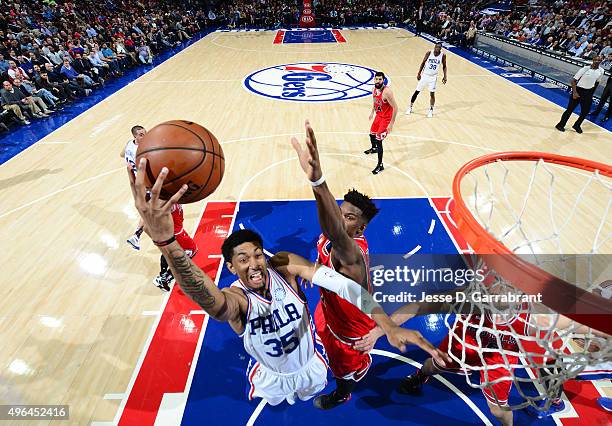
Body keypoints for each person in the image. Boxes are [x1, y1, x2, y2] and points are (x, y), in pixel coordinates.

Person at [127, 158, 449, 406]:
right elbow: (208, 297)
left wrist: (385, 326)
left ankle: (343, 392)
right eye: (243, 259)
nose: (253, 264)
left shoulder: (337, 256)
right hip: (279, 368)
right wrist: (167, 243)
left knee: (342, 374)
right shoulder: (238, 300)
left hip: (335, 341)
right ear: (231, 266)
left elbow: (347, 284)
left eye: (256, 256)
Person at [292, 120, 410, 409]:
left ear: (361, 229)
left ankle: (343, 391)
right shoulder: (332, 238)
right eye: (340, 212)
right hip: (328, 308)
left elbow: (332, 229)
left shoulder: (352, 252)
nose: (340, 217)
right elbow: (328, 232)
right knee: (320, 329)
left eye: (349, 217)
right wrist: (316, 273)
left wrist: (317, 182)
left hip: (350, 332)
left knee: (341, 369)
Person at [556, 55, 605, 133]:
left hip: (588, 92)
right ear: (593, 60)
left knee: (585, 111)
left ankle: (577, 125)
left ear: (601, 61)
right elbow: (573, 81)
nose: (597, 61)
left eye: (599, 60)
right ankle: (560, 125)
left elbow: (597, 82)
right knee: (570, 110)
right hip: (578, 90)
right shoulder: (585, 69)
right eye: (595, 60)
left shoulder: (601, 71)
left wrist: (591, 94)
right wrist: (574, 93)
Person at [363, 72, 398, 175]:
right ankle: (374, 149)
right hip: (379, 115)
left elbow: (395, 107)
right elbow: (375, 102)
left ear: (383, 80)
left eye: (380, 79)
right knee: (371, 133)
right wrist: (372, 112)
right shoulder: (373, 89)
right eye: (376, 79)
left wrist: (391, 124)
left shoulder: (387, 92)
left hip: (386, 118)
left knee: (379, 140)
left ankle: (380, 165)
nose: (378, 81)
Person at [121, 125, 147, 250]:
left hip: (137, 181)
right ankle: (136, 235)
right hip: (144, 183)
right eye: (141, 134)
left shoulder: (129, 144)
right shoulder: (141, 150)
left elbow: (122, 154)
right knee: (148, 212)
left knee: (147, 211)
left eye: (145, 133)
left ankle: (137, 236)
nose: (144, 135)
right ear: (135, 136)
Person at [406, 42, 448, 118]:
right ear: (434, 47)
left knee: (432, 94)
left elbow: (444, 66)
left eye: (438, 47)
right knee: (417, 91)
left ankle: (431, 110)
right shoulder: (429, 53)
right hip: (425, 75)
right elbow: (423, 62)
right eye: (436, 47)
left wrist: (445, 76)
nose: (437, 48)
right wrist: (419, 73)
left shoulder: (443, 55)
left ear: (440, 49)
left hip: (433, 77)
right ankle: (410, 107)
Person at [588, 53, 612, 123]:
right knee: (603, 98)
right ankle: (596, 112)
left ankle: (607, 116)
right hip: (610, 83)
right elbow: (609, 70)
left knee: (611, 102)